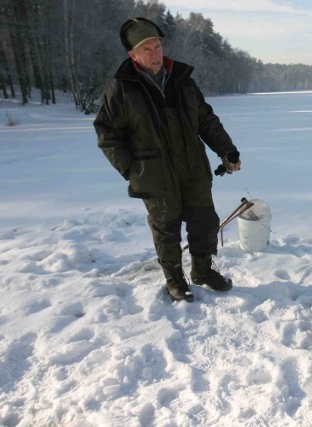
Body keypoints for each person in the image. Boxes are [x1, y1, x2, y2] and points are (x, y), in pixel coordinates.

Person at [94, 17, 241, 302]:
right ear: (132, 55)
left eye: (157, 45)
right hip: (154, 174)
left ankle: (202, 270)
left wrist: (227, 150)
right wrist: (132, 170)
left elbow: (206, 120)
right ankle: (174, 278)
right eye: (146, 49)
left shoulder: (182, 80)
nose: (155, 53)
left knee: (205, 222)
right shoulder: (122, 89)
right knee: (166, 229)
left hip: (193, 168)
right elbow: (107, 133)